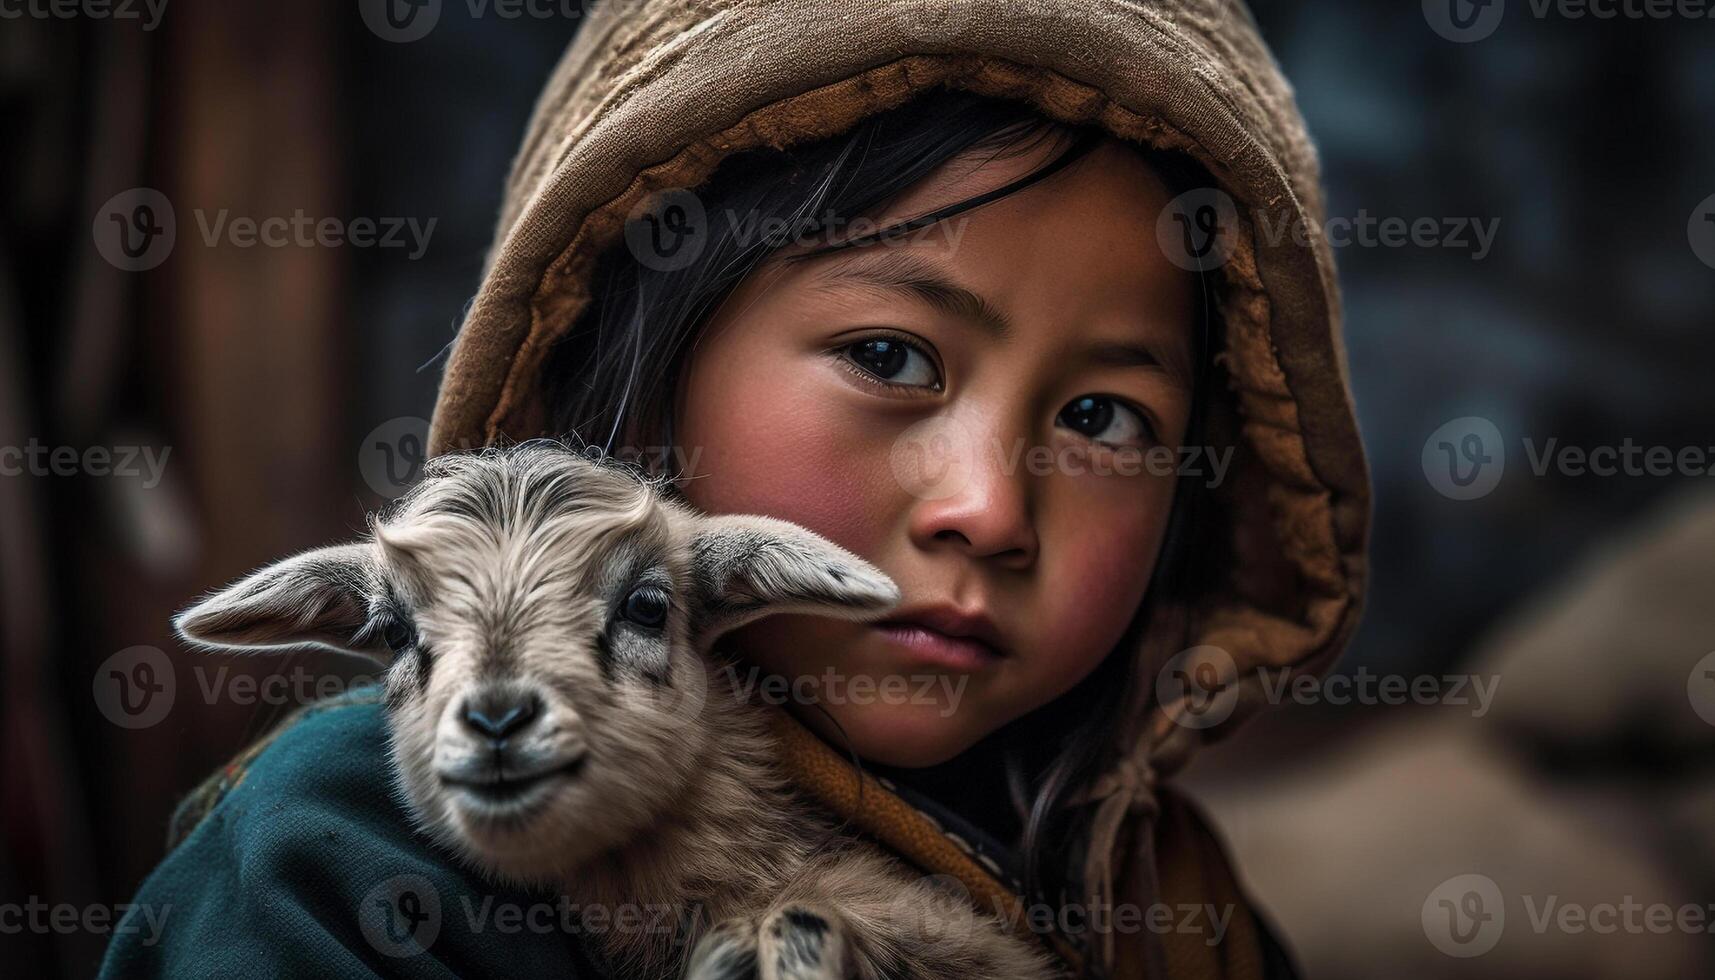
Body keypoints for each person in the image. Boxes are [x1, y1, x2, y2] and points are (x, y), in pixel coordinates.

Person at [102, 1, 1370, 977]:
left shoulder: (1164, 904)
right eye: (888, 357)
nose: (986, 508)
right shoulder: (333, 865)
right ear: (637, 381)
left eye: (1102, 417)